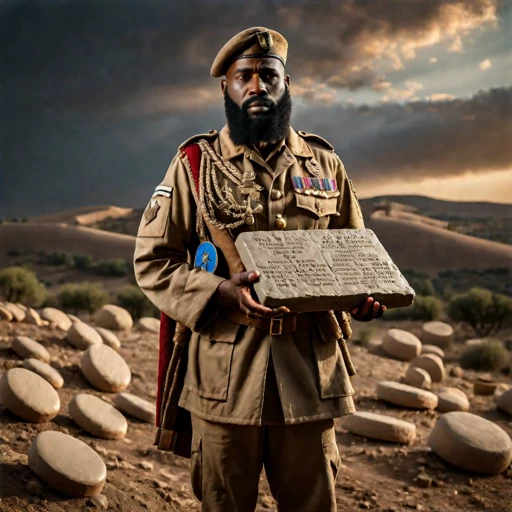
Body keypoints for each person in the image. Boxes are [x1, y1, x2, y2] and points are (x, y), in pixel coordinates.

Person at [134, 26, 385, 512]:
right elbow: (153, 261)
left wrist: (364, 295)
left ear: (286, 84)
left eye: (268, 76)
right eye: (243, 76)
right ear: (225, 89)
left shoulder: (326, 164)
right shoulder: (193, 165)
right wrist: (217, 291)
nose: (256, 87)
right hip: (225, 381)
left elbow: (357, 255)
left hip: (310, 378)